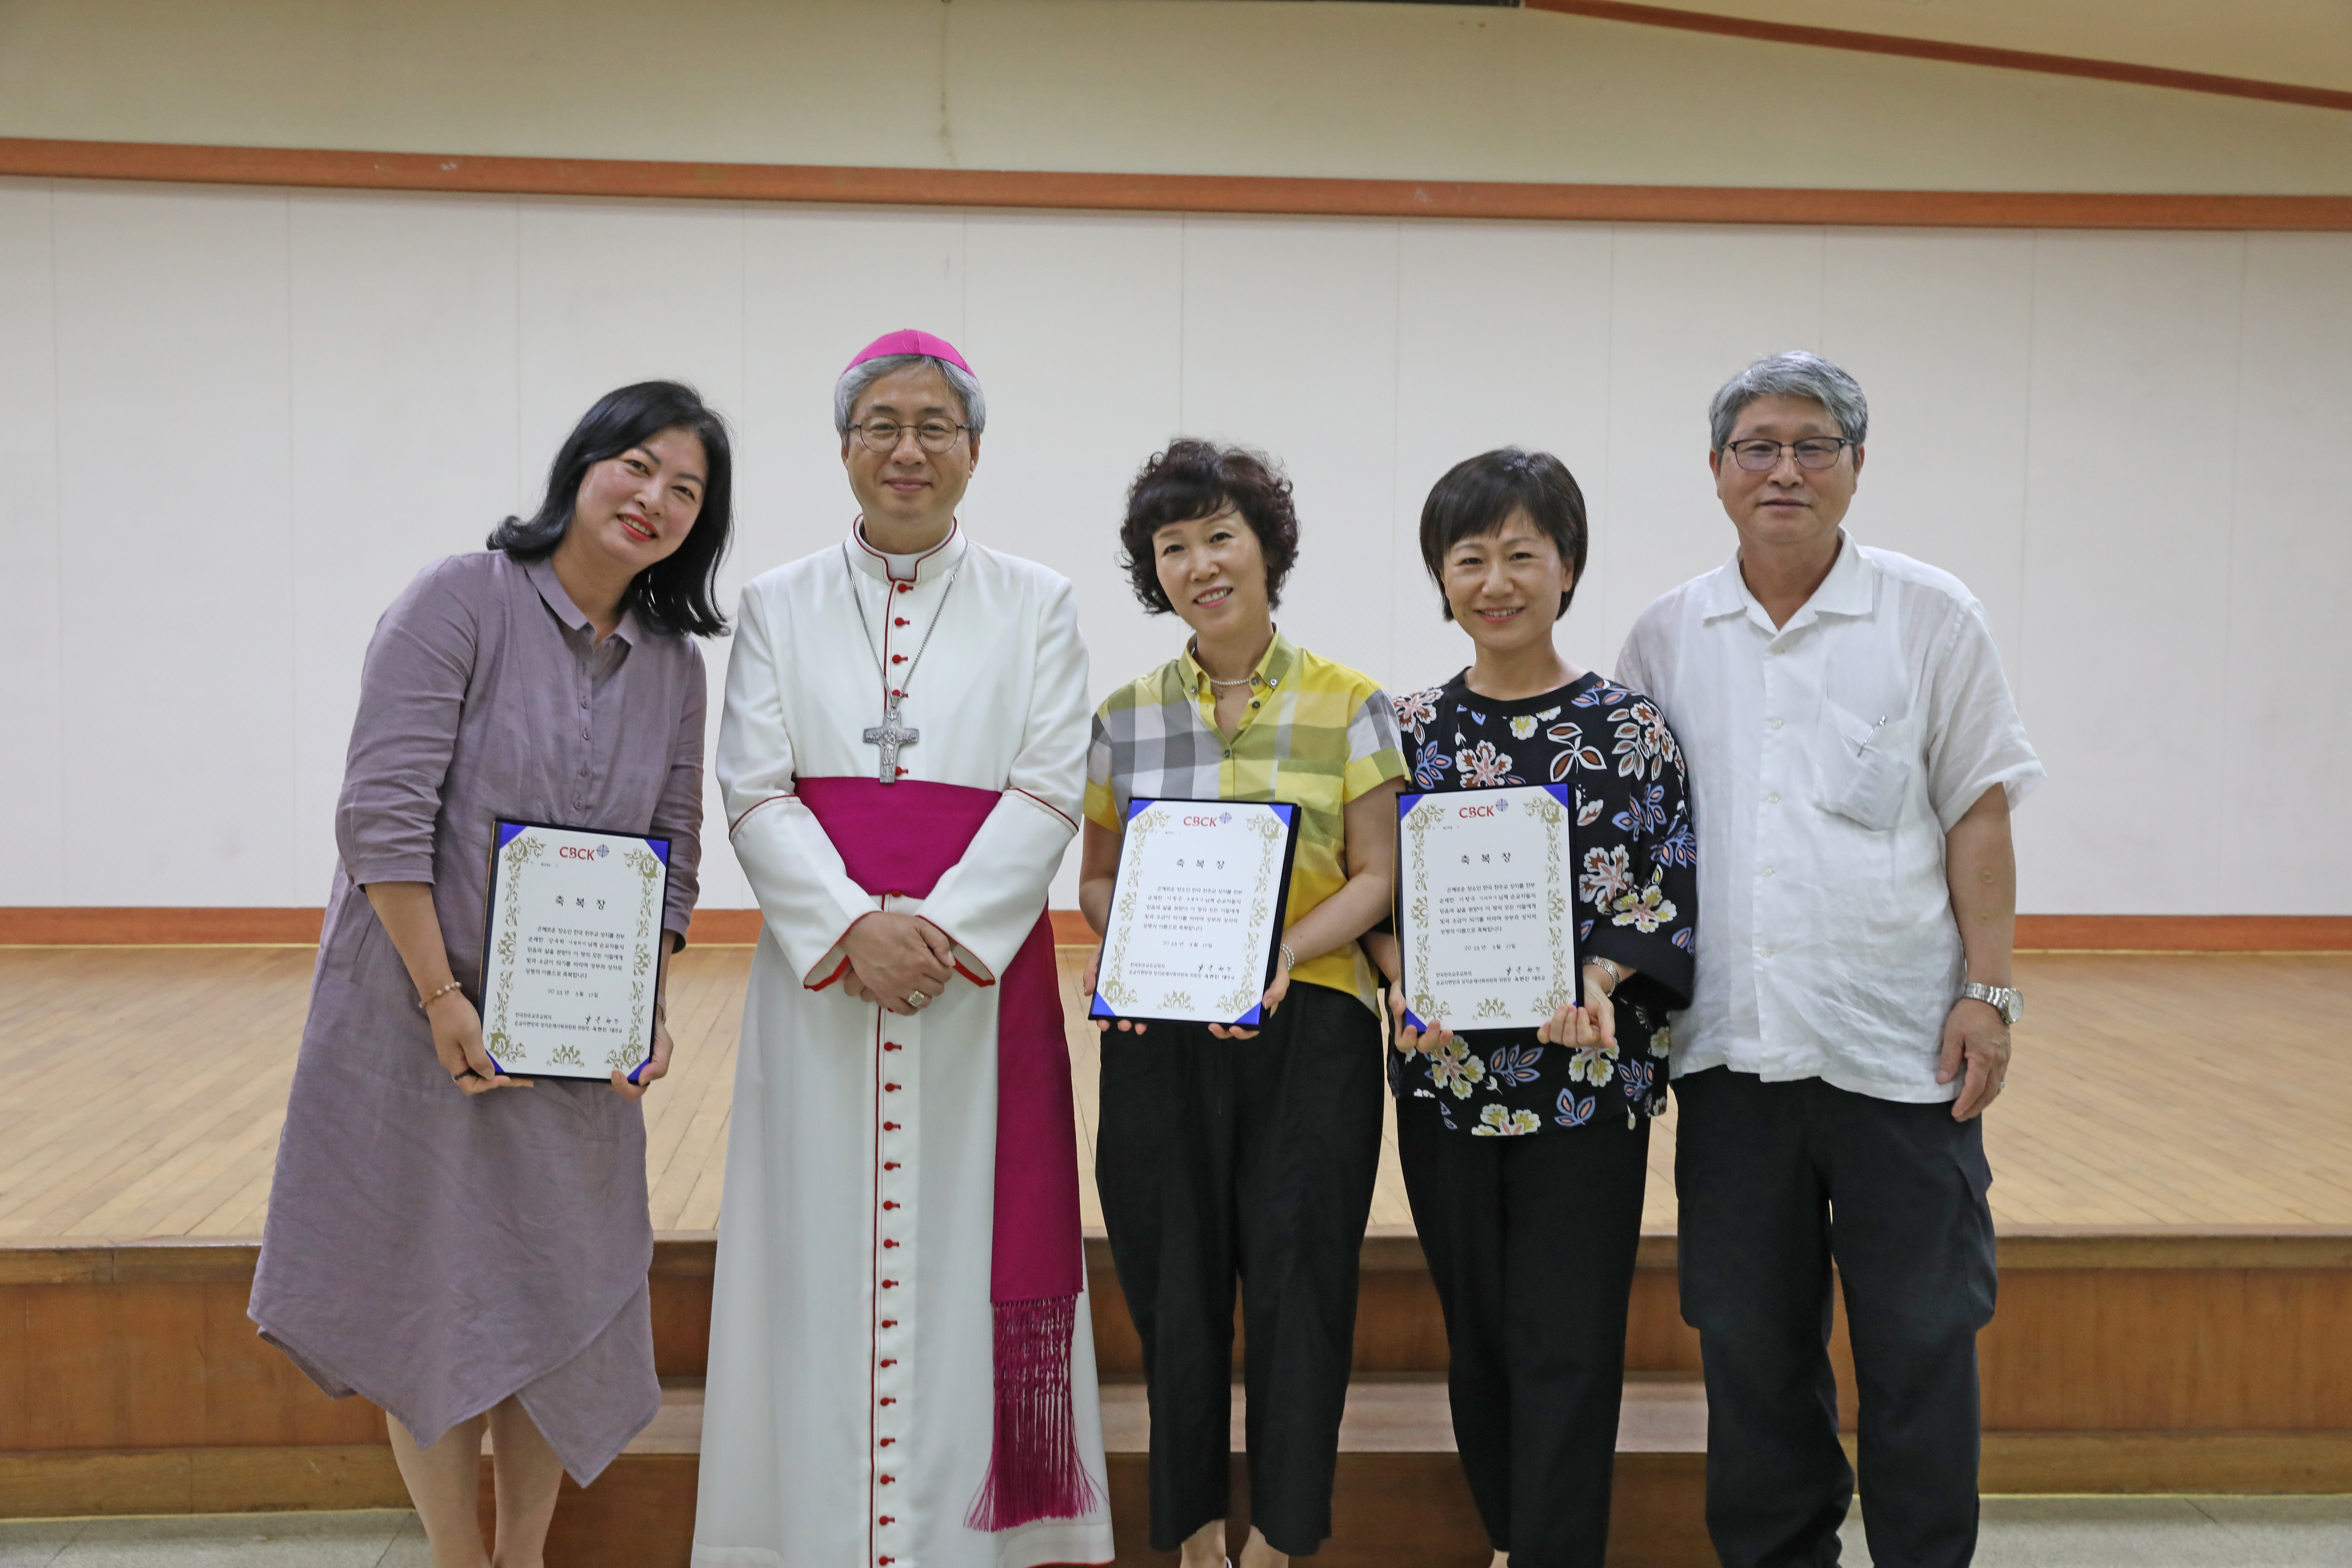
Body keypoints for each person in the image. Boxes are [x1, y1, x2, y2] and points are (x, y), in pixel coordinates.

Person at [250, 381, 730, 1568]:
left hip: (572, 1032)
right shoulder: (460, 598)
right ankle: (456, 1557)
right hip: (413, 1021)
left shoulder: (673, 665)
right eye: (637, 465)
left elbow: (672, 851)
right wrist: (442, 998)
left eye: (686, 489)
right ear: (583, 467)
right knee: (432, 1288)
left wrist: (648, 1006)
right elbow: (381, 817)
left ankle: (525, 1554)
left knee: (564, 1290)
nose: (655, 498)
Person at [1616, 351, 2043, 1568]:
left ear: (1857, 465)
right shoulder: (1668, 635)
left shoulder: (1931, 615)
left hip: (1900, 1052)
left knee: (1923, 1338)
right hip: (1732, 1053)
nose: (1785, 471)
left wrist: (1989, 992)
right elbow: (1635, 838)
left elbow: (1979, 812)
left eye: (1814, 446)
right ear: (1717, 470)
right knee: (1751, 1348)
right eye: (1759, 447)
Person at [694, 330, 1112, 1568]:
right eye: (882, 424)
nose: (908, 449)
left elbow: (1049, 788)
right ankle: (811, 1535)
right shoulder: (776, 604)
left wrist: (939, 934)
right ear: (844, 449)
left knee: (966, 1248)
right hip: (824, 989)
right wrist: (849, 930)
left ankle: (974, 1542)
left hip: (974, 991)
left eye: (935, 426)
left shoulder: (1037, 603)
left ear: (974, 452)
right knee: (813, 1252)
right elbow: (754, 788)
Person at [1079, 440, 1408, 1568]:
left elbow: (1376, 876)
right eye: (1173, 547)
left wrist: (1280, 951)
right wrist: (1125, 944)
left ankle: (1277, 1535)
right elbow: (1098, 878)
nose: (1200, 564)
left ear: (1268, 550)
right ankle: (1188, 1531)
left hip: (1310, 1025)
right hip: (1161, 1032)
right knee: (1171, 1291)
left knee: (1299, 1286)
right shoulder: (1125, 716)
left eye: (1221, 536)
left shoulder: (1351, 704)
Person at [1365, 448, 1696, 1568]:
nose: (1495, 582)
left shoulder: (1632, 729)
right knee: (1480, 1335)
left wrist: (1596, 982)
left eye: (1521, 555)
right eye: (1469, 559)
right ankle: (1515, 1537)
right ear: (1441, 578)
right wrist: (1400, 972)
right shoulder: (1404, 730)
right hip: (1447, 1075)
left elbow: (1663, 888)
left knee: (1570, 1337)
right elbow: (1368, 894)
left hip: (1585, 1075)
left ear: (1570, 568)